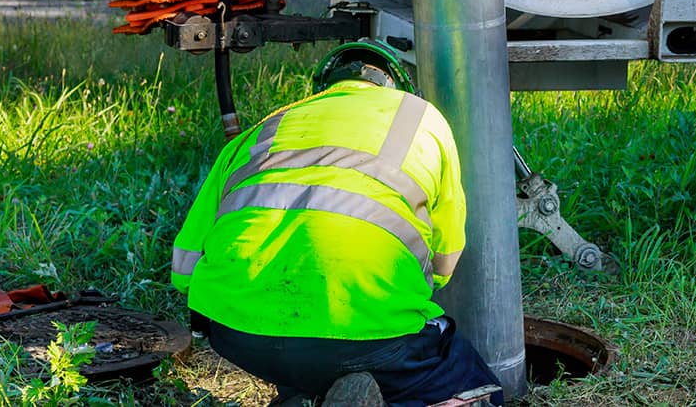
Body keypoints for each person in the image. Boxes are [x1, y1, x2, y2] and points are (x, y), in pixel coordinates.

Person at [170, 41, 503, 406]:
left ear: (324, 89)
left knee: (310, 364)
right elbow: (444, 258)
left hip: (238, 334)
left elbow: (184, 269)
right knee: (472, 384)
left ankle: (308, 397)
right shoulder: (422, 118)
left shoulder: (261, 130)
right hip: (365, 332)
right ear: (398, 86)